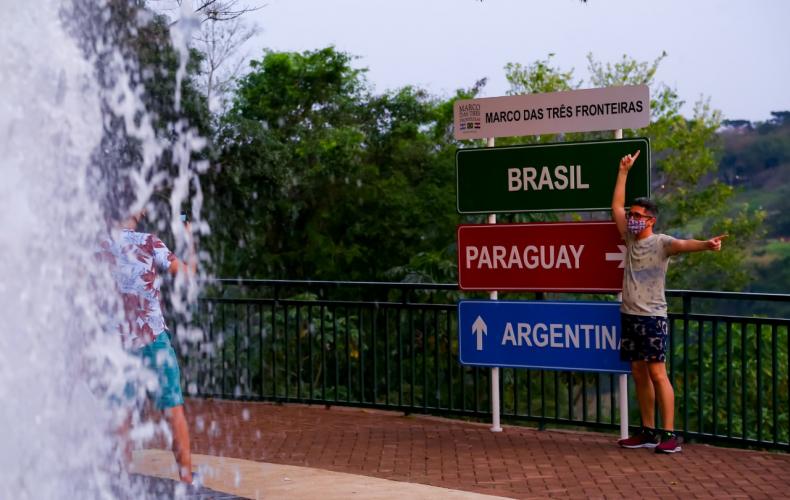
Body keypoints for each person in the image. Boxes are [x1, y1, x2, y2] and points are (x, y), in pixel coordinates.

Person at [612, 150, 726, 454]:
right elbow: (614, 207)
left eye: (637, 216)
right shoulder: (629, 239)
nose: (632, 219)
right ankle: (647, 430)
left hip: (652, 317)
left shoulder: (660, 242)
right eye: (631, 215)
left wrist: (706, 245)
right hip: (630, 314)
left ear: (651, 219)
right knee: (638, 372)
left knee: (657, 373)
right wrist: (623, 172)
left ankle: (670, 434)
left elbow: (682, 244)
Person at [97, 205, 197, 483]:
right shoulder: (150, 242)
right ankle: (186, 479)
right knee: (173, 409)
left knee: (122, 415)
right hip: (153, 340)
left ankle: (120, 479)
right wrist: (188, 238)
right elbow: (188, 275)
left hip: (118, 345)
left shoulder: (101, 247)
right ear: (138, 211)